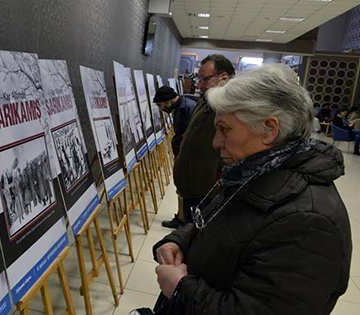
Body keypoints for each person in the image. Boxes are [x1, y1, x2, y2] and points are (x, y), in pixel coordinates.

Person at [147, 64, 351, 314]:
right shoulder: (256, 173)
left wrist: (181, 288)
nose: (216, 142)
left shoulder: (308, 222)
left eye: (225, 129)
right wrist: (179, 240)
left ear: (269, 129)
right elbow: (222, 223)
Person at [169, 54, 235, 227]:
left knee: (200, 240)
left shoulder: (232, 109)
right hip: (192, 188)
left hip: (209, 192)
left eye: (204, 79)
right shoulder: (204, 101)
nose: (199, 85)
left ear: (224, 78)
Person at [152, 86, 197, 228]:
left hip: (188, 156)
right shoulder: (181, 107)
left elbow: (190, 135)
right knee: (181, 187)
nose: (161, 109)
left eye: (161, 105)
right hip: (183, 154)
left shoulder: (187, 108)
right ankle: (181, 217)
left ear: (168, 100)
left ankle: (184, 220)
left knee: (185, 187)